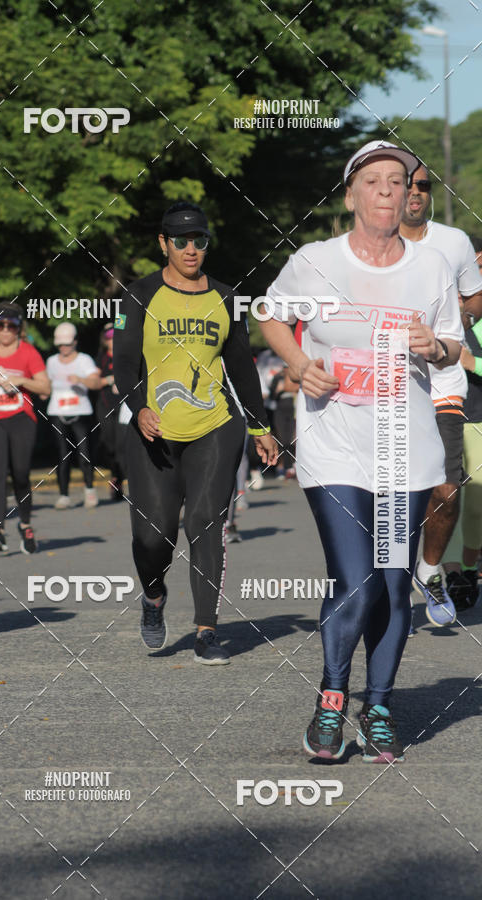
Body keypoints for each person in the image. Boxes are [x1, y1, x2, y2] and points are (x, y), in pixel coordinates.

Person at [260, 141, 463, 762]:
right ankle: (330, 700)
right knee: (356, 580)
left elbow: (457, 346)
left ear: (408, 197)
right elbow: (269, 313)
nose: (385, 190)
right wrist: (298, 364)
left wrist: (436, 346)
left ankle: (377, 706)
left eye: (397, 182)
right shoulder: (316, 261)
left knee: (393, 582)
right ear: (351, 196)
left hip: (404, 445)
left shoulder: (431, 268)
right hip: (335, 443)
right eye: (372, 181)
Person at [114, 201, 277, 664]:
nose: (191, 249)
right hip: (155, 430)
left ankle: (207, 630)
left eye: (199, 240)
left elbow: (242, 367)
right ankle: (153, 595)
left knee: (204, 519)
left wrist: (262, 424)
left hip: (215, 424)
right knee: (153, 537)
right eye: (181, 241)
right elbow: (123, 365)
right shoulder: (139, 295)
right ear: (163, 243)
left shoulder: (225, 297)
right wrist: (139, 407)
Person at [400, 165, 482, 627]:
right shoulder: (372, 244)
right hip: (386, 385)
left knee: (447, 490)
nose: (415, 192)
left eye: (423, 186)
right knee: (387, 495)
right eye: (406, 184)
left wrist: (458, 327)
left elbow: (476, 296)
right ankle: (386, 589)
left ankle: (430, 569)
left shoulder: (452, 242)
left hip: (443, 382)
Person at [0, 302, 50, 554]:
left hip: (21, 419)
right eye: (0, 325)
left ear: (18, 328)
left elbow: (45, 388)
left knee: (21, 474)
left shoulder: (28, 353)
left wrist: (21, 379)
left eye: (10, 326)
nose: (5, 330)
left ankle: (24, 524)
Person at [443, 236, 482, 610]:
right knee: (446, 496)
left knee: (475, 506)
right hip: (441, 418)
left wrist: (474, 365)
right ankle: (451, 572)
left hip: (479, 421)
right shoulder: (434, 311)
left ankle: (469, 566)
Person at [46, 322, 102, 509]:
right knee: (62, 455)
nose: (64, 348)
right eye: (61, 344)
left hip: (80, 410)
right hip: (57, 411)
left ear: (75, 342)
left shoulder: (84, 360)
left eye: (68, 344)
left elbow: (96, 381)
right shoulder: (52, 361)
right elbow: (45, 386)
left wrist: (81, 380)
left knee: (84, 452)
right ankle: (63, 495)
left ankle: (89, 490)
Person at [95, 323, 125, 503]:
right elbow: (94, 381)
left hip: (125, 407)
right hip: (105, 406)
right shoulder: (102, 358)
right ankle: (115, 475)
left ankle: (119, 480)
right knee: (109, 444)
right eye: (108, 336)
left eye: (115, 335)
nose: (112, 339)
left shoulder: (126, 354)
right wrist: (108, 379)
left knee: (123, 445)